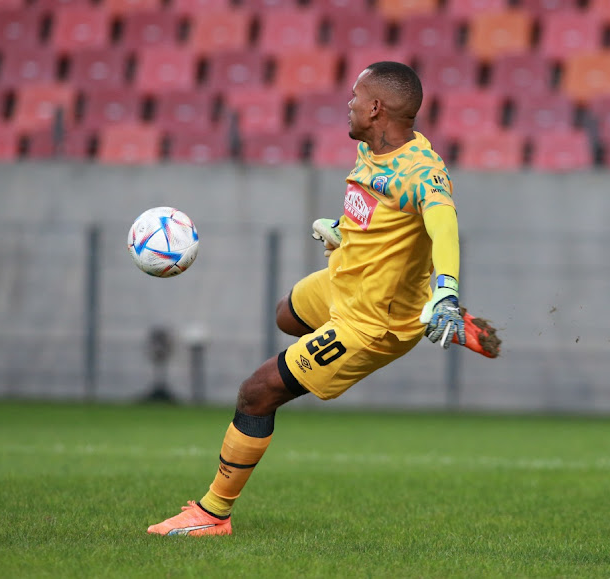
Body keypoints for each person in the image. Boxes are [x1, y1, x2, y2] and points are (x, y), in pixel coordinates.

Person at [147, 61, 499, 537]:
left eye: (355, 97)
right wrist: (344, 230)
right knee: (286, 315)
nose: (348, 105)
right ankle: (424, 311)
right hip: (343, 279)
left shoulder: (422, 172)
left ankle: (212, 514)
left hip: (370, 322)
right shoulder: (370, 149)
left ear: (375, 108)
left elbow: (443, 224)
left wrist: (447, 288)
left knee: (256, 393)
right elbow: (381, 214)